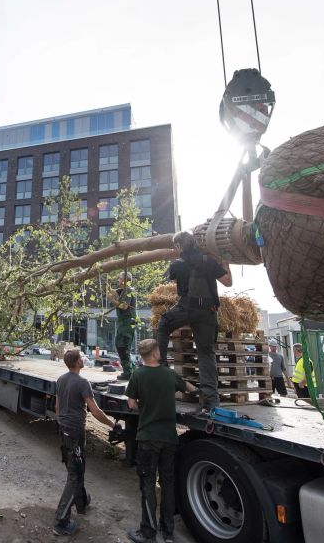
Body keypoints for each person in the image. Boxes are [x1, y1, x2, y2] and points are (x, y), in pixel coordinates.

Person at [125, 339, 196, 543]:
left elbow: (131, 404)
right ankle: (168, 532)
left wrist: (144, 408)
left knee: (147, 484)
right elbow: (189, 388)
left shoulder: (137, 375)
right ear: (155, 353)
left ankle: (148, 533)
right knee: (167, 483)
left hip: (148, 438)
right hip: (169, 438)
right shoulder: (169, 374)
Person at [155, 232, 232, 412]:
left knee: (164, 323)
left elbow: (175, 279)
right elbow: (227, 282)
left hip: (187, 309)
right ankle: (211, 400)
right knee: (206, 353)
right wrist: (224, 262)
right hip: (208, 312)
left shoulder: (177, 264)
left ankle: (162, 365)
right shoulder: (209, 261)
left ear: (180, 247)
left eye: (176, 246)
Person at [53, 348, 117, 536]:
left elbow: (57, 406)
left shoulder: (60, 380)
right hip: (75, 432)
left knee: (76, 467)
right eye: (81, 358)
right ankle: (61, 521)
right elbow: (95, 411)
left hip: (64, 430)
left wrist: (62, 422)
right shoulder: (82, 383)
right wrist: (112, 424)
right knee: (74, 474)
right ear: (77, 362)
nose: (83, 360)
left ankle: (81, 501)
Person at [107, 271, 136, 380]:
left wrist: (112, 300)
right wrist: (108, 284)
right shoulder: (123, 291)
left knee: (123, 346)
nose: (118, 280)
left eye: (119, 278)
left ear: (124, 280)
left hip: (128, 323)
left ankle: (129, 372)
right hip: (123, 323)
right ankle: (130, 371)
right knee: (120, 345)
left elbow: (124, 306)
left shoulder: (129, 290)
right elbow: (111, 293)